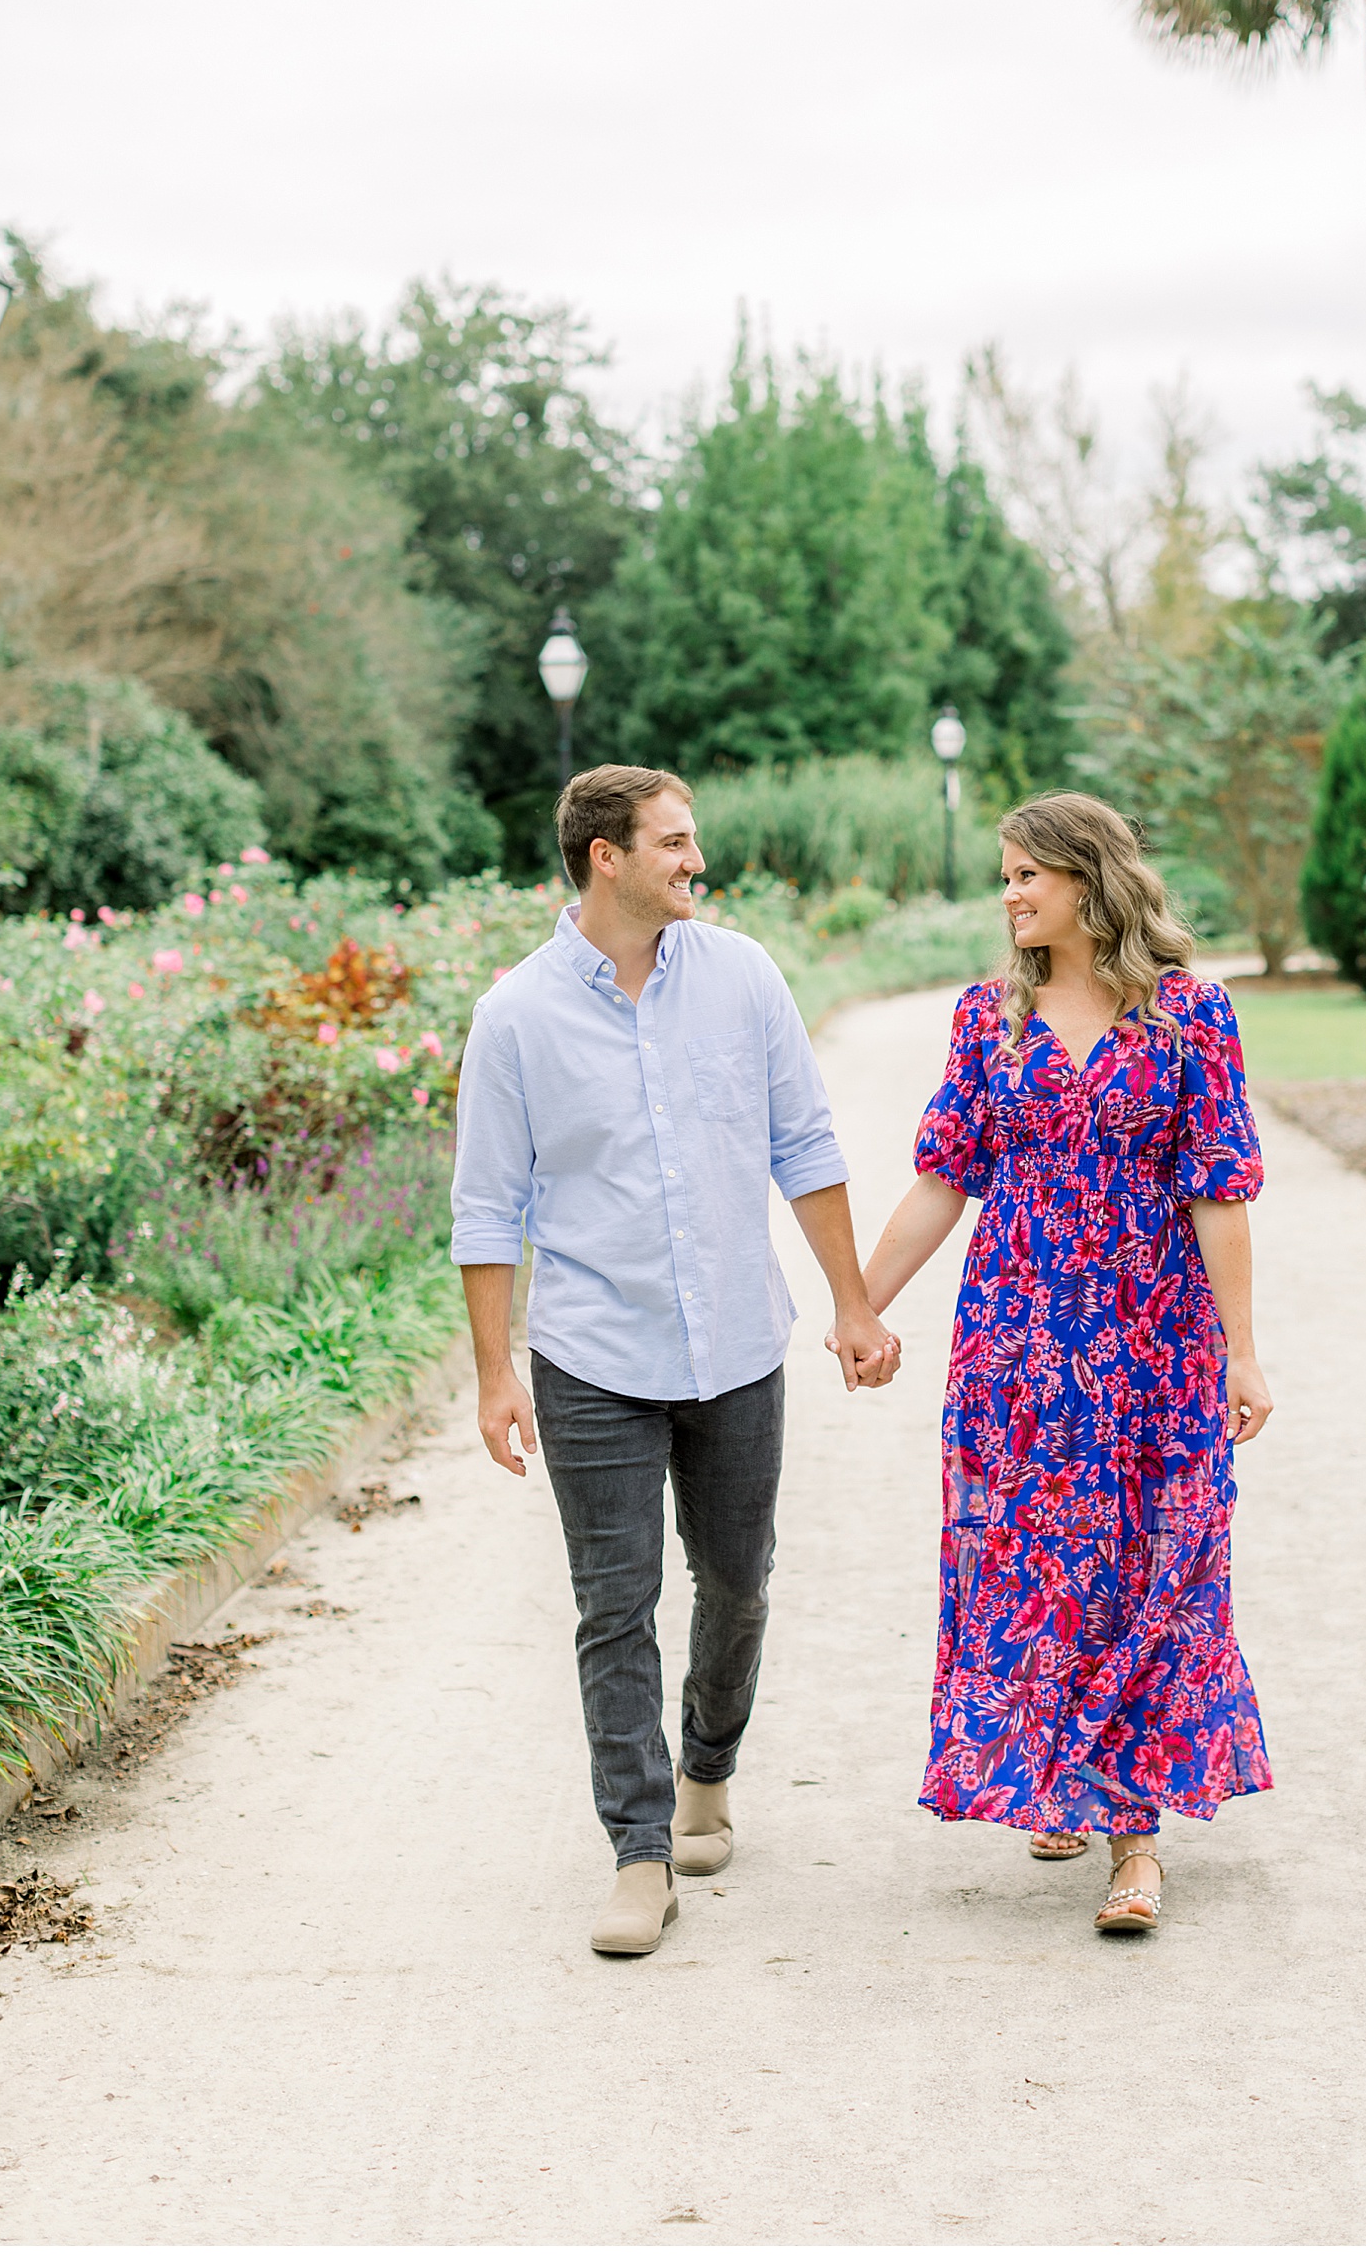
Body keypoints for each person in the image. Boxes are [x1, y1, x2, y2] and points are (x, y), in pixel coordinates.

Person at [451, 764, 899, 1959]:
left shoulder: (744, 976)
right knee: (614, 1606)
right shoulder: (518, 1017)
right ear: (606, 855)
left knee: (740, 1579)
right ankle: (639, 1850)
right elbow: (487, 1208)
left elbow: (803, 1144)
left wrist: (851, 1304)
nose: (694, 860)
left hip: (738, 1344)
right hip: (592, 1354)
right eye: (674, 841)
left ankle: (709, 1763)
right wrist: (497, 1373)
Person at [855, 790, 1272, 1936]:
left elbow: (1220, 1189)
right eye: (1007, 874)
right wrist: (861, 1303)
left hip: (1154, 1344)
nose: (1010, 892)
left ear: (1087, 878)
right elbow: (945, 1175)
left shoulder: (1191, 1014)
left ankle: (1136, 1839)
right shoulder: (989, 1019)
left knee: (1151, 1565)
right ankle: (1054, 1771)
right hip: (1020, 1347)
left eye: (1027, 873)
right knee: (1034, 1565)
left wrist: (1243, 1352)